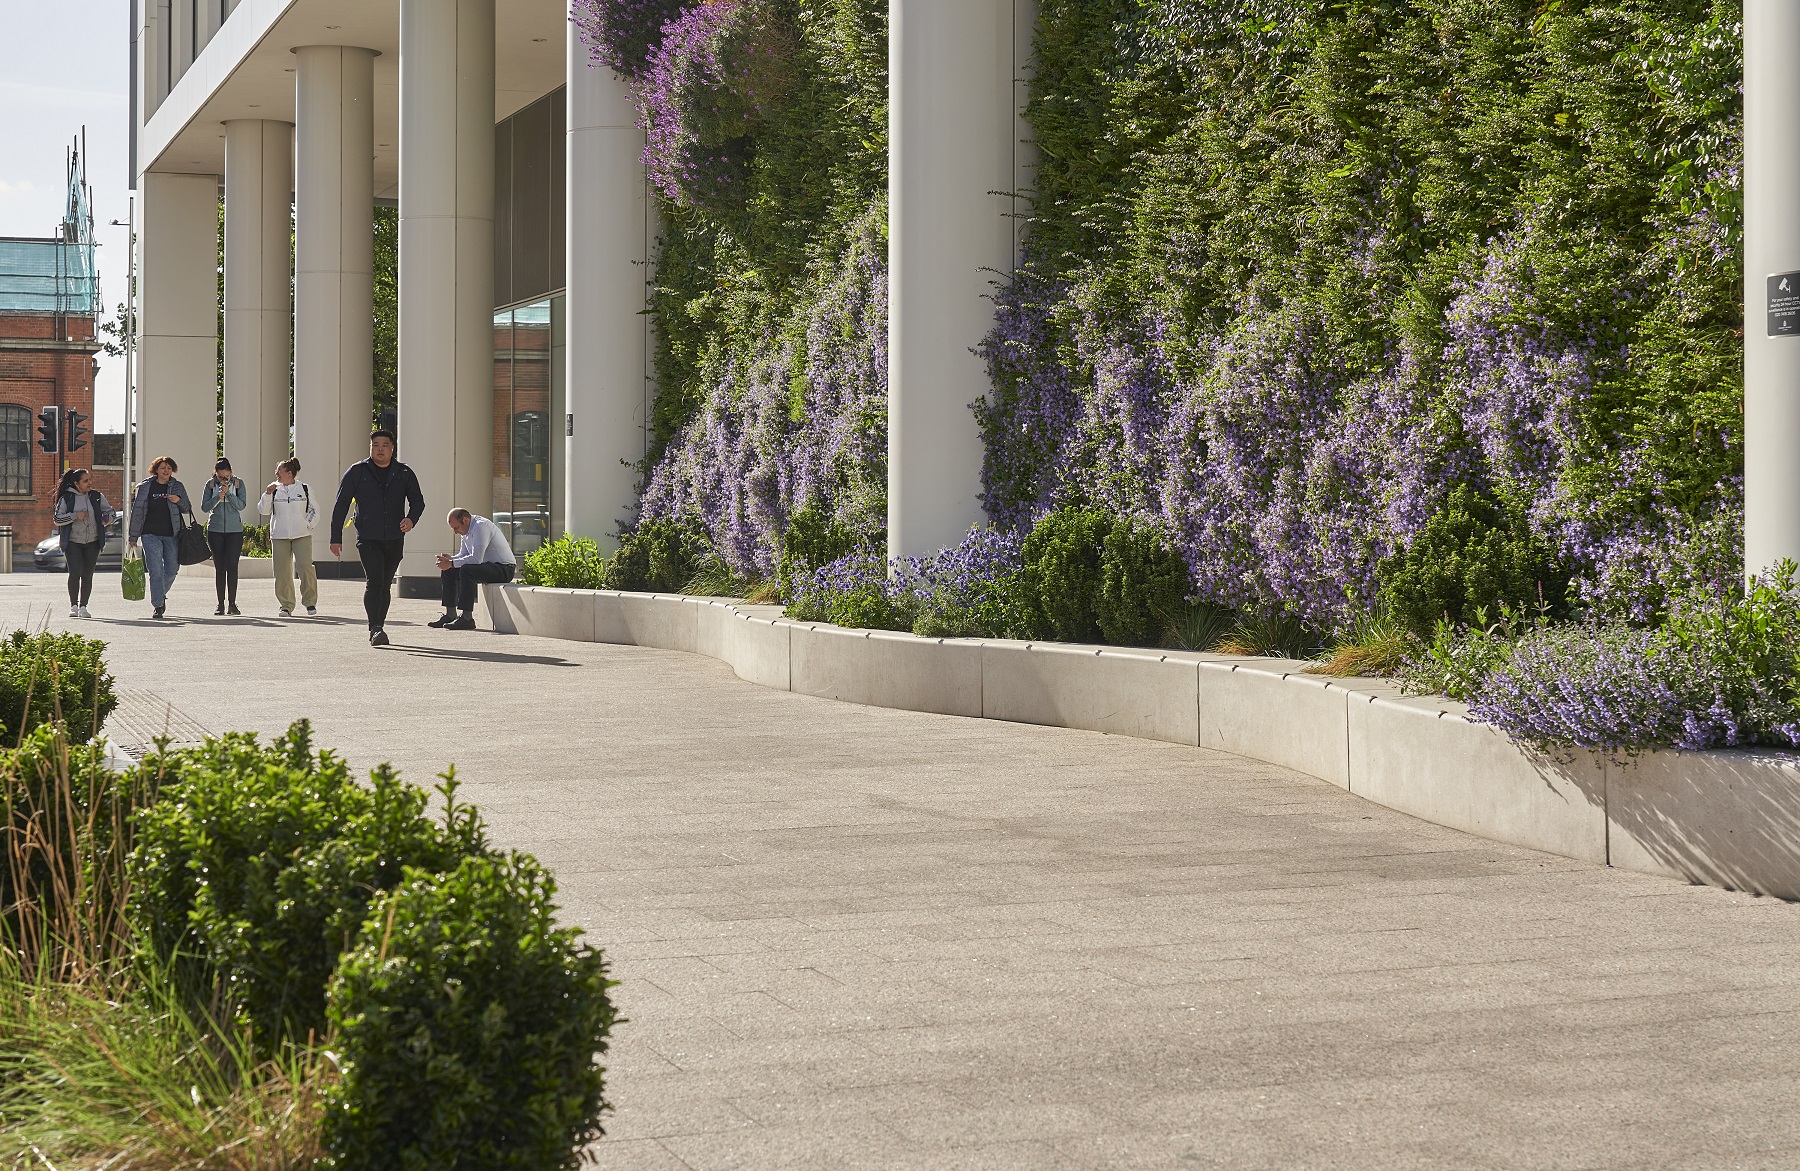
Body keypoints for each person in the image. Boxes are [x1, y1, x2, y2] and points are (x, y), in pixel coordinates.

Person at [329, 430, 424, 647]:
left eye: (384, 445)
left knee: (385, 585)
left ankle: (379, 625)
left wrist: (411, 519)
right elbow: (341, 505)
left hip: (394, 537)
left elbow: (418, 501)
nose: (379, 449)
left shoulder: (404, 472)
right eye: (375, 445)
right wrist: (336, 537)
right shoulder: (357, 472)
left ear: (392, 448)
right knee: (374, 581)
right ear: (370, 447)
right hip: (368, 536)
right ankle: (376, 628)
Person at [127, 456, 195, 620]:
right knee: (155, 570)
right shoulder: (145, 487)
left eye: (169, 468)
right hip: (150, 534)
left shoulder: (177, 486)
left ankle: (159, 594)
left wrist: (178, 500)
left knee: (172, 569)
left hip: (173, 534)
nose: (166, 471)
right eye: (163, 467)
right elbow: (137, 512)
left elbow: (187, 508)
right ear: (156, 469)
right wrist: (133, 535)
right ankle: (158, 605)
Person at [430, 508, 518, 630]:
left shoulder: (481, 527)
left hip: (504, 569)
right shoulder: (466, 530)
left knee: (466, 570)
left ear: (465, 520)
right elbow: (464, 555)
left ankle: (467, 618)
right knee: (449, 571)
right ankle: (450, 614)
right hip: (488, 566)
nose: (455, 532)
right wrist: (450, 560)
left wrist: (451, 562)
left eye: (456, 528)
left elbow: (476, 559)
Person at [259, 456, 320, 618]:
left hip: (302, 535)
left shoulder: (304, 489)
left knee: (305, 567)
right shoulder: (273, 489)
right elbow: (263, 511)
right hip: (279, 535)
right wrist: (267, 494)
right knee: (282, 571)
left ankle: (310, 601)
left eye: (279, 471)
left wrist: (307, 524)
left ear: (289, 473)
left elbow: (315, 510)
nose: (276, 474)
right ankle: (286, 605)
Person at [52, 468, 114, 619]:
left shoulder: (97, 496)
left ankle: (84, 607)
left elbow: (111, 512)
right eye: (86, 481)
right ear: (76, 483)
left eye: (90, 480)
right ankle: (73, 606)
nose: (90, 483)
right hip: (73, 542)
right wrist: (75, 516)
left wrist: (107, 519)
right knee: (75, 573)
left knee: (87, 575)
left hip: (93, 542)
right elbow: (57, 519)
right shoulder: (66, 499)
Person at [201, 457, 249, 615]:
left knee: (232, 567)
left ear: (230, 472)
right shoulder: (210, 484)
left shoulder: (238, 484)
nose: (223, 479)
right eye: (220, 477)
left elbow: (242, 505)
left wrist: (229, 495)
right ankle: (220, 604)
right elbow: (204, 507)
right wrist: (217, 497)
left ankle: (232, 604)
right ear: (216, 474)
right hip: (215, 530)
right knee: (220, 568)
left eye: (226, 476)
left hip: (234, 530)